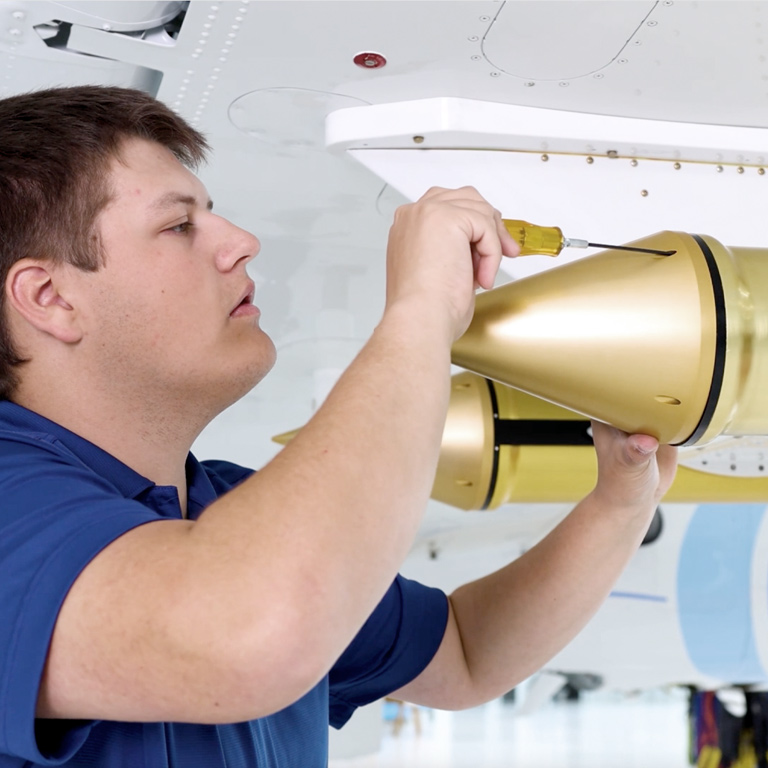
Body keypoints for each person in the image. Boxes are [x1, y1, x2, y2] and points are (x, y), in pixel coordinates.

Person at [0, 85, 677, 767]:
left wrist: (621, 503)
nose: (241, 242)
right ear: (50, 298)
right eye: (179, 225)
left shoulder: (226, 511)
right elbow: (245, 634)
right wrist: (420, 310)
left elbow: (467, 652)